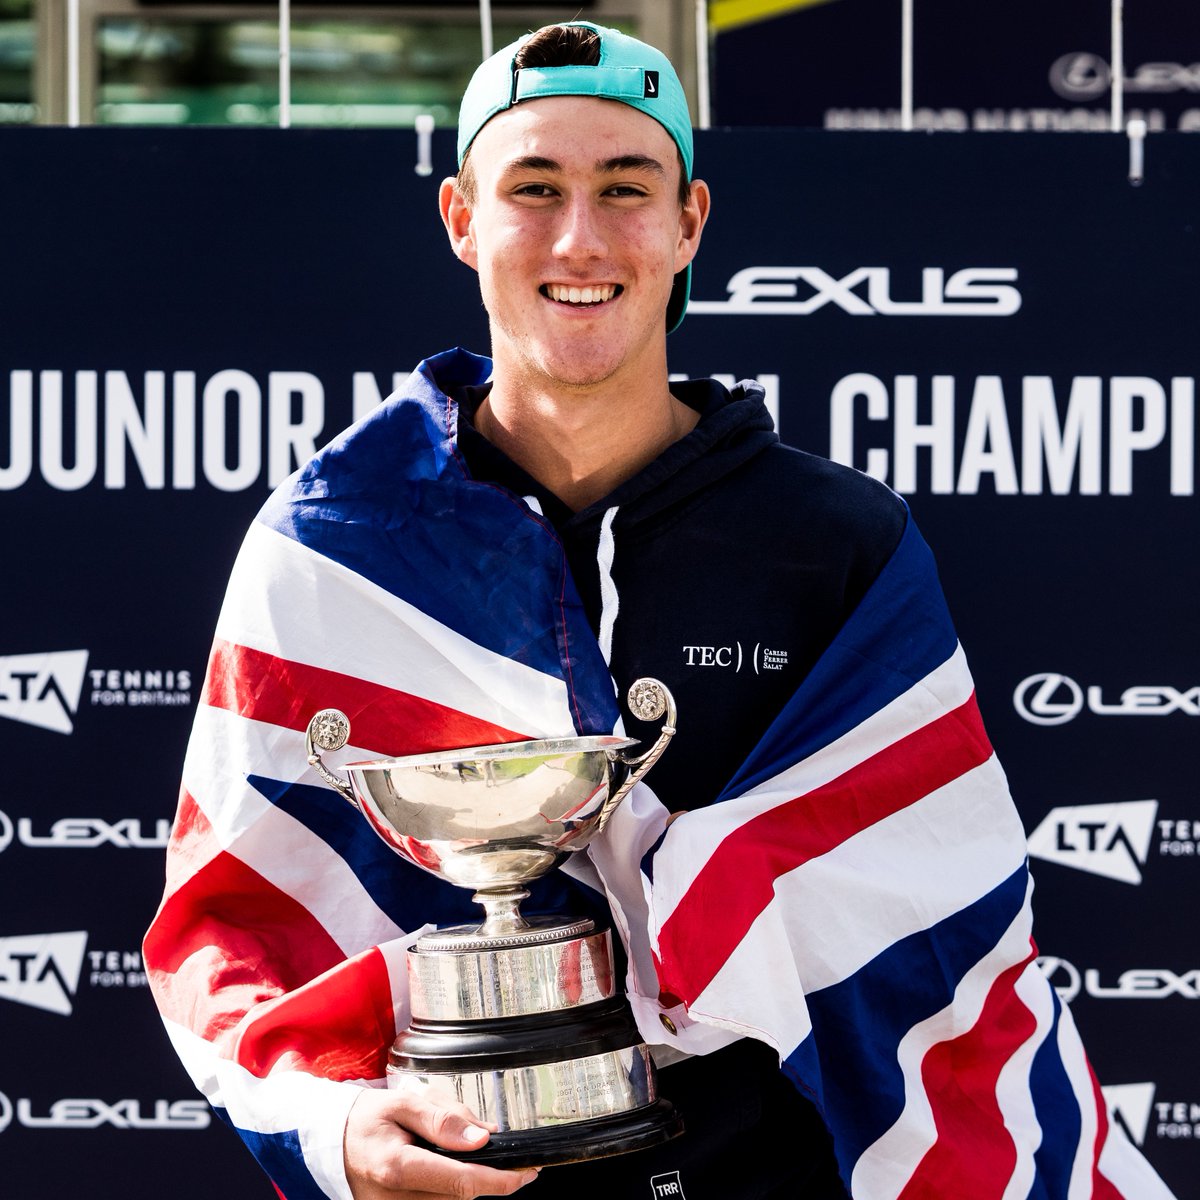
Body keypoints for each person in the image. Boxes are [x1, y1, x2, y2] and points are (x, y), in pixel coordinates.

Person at [145, 21, 1174, 1200]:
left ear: (688, 221)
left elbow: (939, 934)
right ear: (461, 220)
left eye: (622, 188)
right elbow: (229, 925)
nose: (580, 238)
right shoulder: (333, 543)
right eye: (534, 188)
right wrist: (333, 1128)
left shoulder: (839, 543)